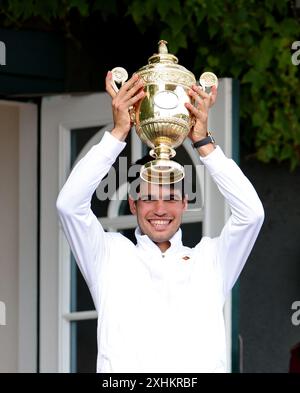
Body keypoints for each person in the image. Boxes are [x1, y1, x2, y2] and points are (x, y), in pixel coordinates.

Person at [56, 71, 264, 373]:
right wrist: (117, 134)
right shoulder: (108, 254)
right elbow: (68, 204)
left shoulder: (211, 259)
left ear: (184, 203)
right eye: (149, 198)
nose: (160, 209)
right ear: (133, 203)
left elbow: (252, 214)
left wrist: (203, 143)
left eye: (169, 198)